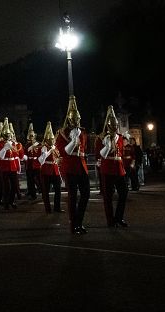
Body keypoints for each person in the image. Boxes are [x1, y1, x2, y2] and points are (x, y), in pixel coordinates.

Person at [55, 96, 90, 235]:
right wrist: (74, 140)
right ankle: (74, 225)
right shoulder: (62, 134)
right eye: (73, 119)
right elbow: (64, 152)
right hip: (70, 167)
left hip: (81, 166)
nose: (76, 121)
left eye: (77, 119)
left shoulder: (83, 132)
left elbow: (84, 149)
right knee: (73, 196)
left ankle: (79, 222)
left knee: (86, 194)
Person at [95, 106, 129, 228]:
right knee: (108, 196)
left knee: (124, 193)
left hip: (119, 168)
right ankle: (111, 220)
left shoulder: (119, 137)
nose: (114, 127)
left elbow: (122, 154)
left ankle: (119, 217)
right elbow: (98, 154)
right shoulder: (100, 138)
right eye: (112, 125)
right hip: (107, 168)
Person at [0, 120, 20, 210]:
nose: (8, 136)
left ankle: (11, 200)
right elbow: (0, 156)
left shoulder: (13, 143)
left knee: (14, 185)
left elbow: (16, 154)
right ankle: (6, 202)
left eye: (9, 134)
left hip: (12, 166)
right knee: (6, 186)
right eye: (7, 134)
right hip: (4, 166)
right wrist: (5, 147)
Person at [38, 122, 62, 214]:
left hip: (55, 170)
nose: (52, 140)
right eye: (50, 139)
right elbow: (41, 160)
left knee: (58, 190)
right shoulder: (44, 147)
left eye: (53, 139)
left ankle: (57, 207)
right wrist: (49, 151)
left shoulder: (55, 147)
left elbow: (58, 157)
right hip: (46, 171)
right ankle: (47, 208)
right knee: (46, 191)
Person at [24, 124, 41, 200]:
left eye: (32, 135)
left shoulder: (39, 144)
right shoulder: (27, 145)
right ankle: (33, 195)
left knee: (39, 179)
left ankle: (41, 190)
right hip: (30, 164)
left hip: (37, 163)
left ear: (35, 136)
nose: (31, 137)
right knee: (30, 180)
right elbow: (24, 154)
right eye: (30, 136)